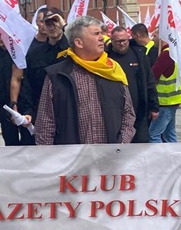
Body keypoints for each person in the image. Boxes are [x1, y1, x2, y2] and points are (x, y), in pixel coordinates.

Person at [35, 16, 135, 145]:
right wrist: (48, 155)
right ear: (79, 43)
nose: (102, 38)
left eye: (101, 33)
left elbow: (128, 114)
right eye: (96, 34)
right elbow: (45, 124)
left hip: (110, 155)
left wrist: (120, 144)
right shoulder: (57, 76)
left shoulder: (113, 70)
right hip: (72, 156)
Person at [12, 7, 68, 144]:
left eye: (55, 21)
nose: (52, 27)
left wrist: (64, 26)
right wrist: (28, 111)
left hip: (68, 110)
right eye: (48, 23)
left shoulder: (73, 48)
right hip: (43, 110)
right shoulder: (35, 53)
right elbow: (28, 86)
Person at [107, 25, 158, 142]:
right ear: (112, 41)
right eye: (118, 41)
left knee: (141, 142)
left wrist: (154, 106)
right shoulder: (106, 56)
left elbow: (149, 81)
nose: (122, 44)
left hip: (139, 109)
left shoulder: (138, 54)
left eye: (124, 40)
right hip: (115, 109)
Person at [149, 39, 181, 143]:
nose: (153, 38)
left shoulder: (167, 54)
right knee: (169, 134)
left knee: (153, 135)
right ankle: (174, 153)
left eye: (156, 35)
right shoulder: (177, 52)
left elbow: (153, 75)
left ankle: (159, 154)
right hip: (174, 99)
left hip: (166, 100)